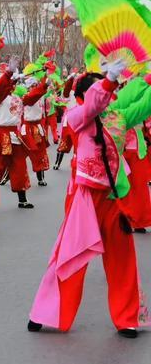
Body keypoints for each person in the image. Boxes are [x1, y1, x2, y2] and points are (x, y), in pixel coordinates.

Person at [28, 61, 151, 339]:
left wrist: (149, 79)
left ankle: (128, 319)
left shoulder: (119, 118)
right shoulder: (77, 117)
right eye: (100, 85)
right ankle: (47, 313)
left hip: (111, 198)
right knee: (70, 257)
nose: (107, 90)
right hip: (84, 199)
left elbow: (143, 106)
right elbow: (94, 104)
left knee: (123, 258)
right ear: (86, 94)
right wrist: (107, 80)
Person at [0, 61, 36, 209]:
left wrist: (44, 85)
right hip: (1, 135)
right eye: (10, 83)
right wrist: (9, 74)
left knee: (19, 167)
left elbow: (32, 98)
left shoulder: (17, 98)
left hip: (15, 136)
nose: (13, 86)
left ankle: (22, 199)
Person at [21, 77, 50, 186]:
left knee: (40, 153)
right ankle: (7, 176)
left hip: (38, 127)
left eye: (35, 85)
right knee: (21, 155)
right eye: (31, 86)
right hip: (27, 129)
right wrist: (44, 86)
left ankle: (40, 178)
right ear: (28, 88)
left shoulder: (41, 97)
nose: (34, 88)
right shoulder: (26, 97)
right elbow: (33, 97)